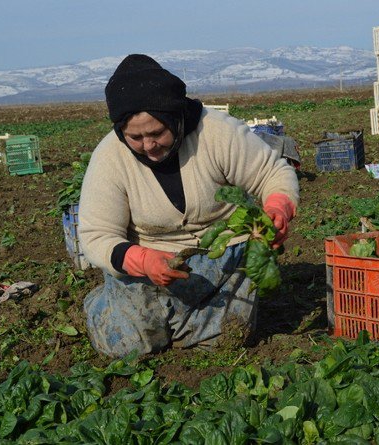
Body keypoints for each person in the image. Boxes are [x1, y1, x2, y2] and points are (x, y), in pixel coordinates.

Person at [78, 54, 299, 358]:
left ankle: (187, 320)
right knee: (127, 345)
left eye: (157, 133)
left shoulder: (217, 133)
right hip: (147, 261)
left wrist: (278, 208)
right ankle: (107, 303)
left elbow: (273, 173)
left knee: (226, 339)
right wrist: (143, 260)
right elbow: (96, 235)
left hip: (223, 252)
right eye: (136, 137)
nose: (148, 145)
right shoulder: (110, 158)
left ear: (175, 117)